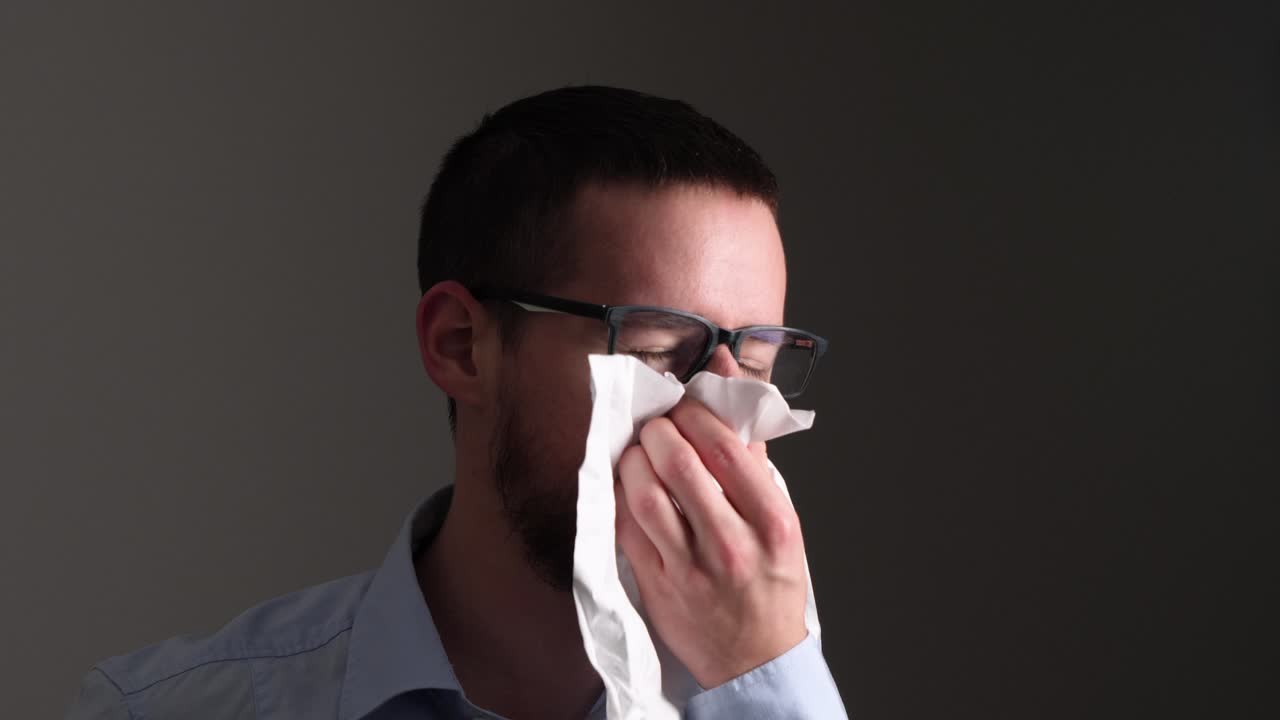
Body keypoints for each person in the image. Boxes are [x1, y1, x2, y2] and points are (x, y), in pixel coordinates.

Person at [68, 85, 848, 719]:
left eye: (754, 361)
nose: (715, 416)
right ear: (459, 346)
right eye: (653, 352)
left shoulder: (771, 693)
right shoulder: (174, 710)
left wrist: (768, 682)